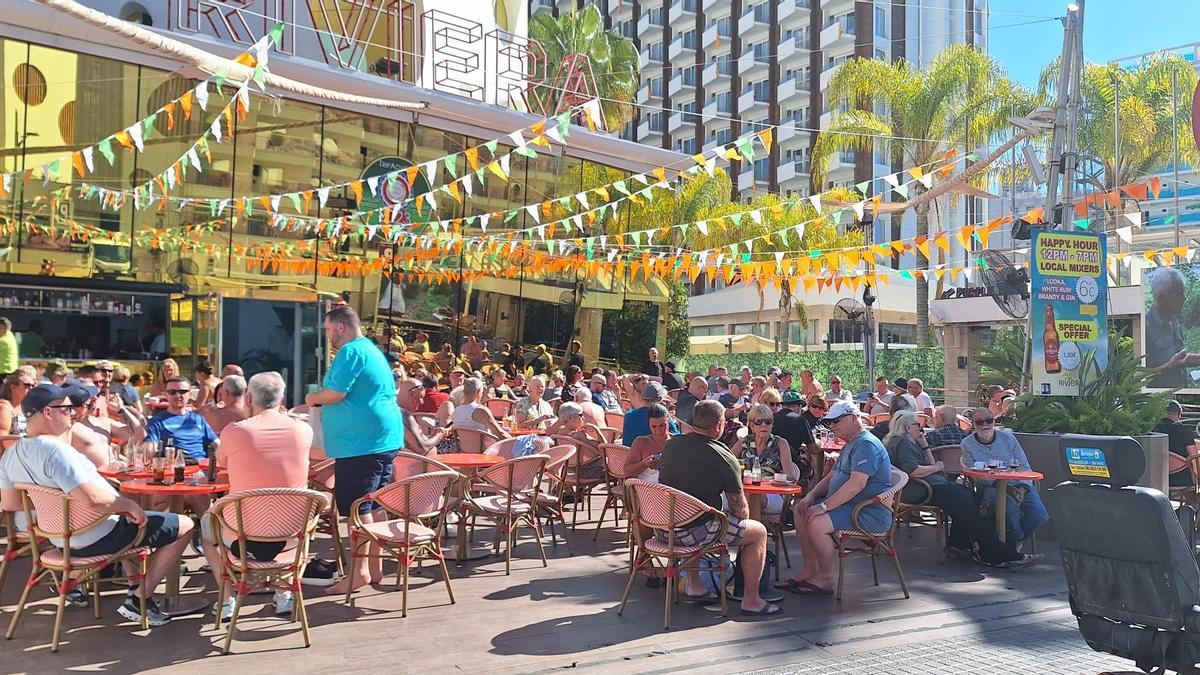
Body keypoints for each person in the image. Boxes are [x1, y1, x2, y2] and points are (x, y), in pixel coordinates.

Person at [0, 383, 193, 626]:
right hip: (98, 535)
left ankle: (132, 587)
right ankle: (140, 597)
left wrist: (51, 504)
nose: (73, 414)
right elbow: (93, 499)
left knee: (136, 525)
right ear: (48, 412)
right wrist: (128, 505)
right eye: (67, 409)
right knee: (184, 525)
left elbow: (10, 502)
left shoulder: (11, 453)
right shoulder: (56, 451)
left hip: (62, 539)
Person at [204, 371, 321, 619]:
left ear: (248, 399)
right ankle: (283, 593)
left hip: (243, 537)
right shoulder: (303, 430)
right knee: (281, 508)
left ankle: (227, 600)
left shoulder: (235, 431)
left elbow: (221, 463)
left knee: (205, 528)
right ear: (282, 398)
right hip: (292, 536)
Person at [305, 305, 404, 595]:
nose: (327, 337)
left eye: (327, 331)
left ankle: (358, 573)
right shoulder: (371, 349)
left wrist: (312, 397)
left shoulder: (350, 352)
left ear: (340, 327)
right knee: (373, 505)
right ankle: (375, 568)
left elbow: (335, 393)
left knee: (357, 510)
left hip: (360, 444)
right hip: (381, 440)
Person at [658, 400, 779, 615]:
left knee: (695, 512)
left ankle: (694, 584)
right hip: (693, 532)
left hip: (663, 527)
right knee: (757, 532)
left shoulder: (671, 445)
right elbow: (741, 511)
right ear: (719, 425)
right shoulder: (723, 455)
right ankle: (751, 599)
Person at [884, 411, 1035, 568]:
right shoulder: (904, 443)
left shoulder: (904, 441)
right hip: (923, 488)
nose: (921, 428)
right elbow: (913, 470)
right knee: (968, 506)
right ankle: (996, 553)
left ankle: (959, 544)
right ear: (909, 427)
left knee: (972, 499)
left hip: (931, 485)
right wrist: (937, 466)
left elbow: (931, 467)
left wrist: (925, 446)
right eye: (918, 425)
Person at [781, 401, 893, 595]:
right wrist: (810, 496)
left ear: (853, 418)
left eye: (836, 421)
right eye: (830, 423)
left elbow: (857, 484)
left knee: (817, 522)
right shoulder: (851, 443)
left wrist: (823, 507)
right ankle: (810, 570)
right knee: (800, 511)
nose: (832, 426)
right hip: (849, 507)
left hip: (867, 512)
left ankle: (825, 578)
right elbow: (833, 475)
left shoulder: (866, 444)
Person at [960, 409, 1049, 544]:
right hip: (990, 487)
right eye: (979, 422)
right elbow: (976, 475)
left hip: (1018, 484)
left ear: (994, 421)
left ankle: (1013, 542)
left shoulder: (1008, 438)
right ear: (973, 424)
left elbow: (1024, 466)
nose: (985, 425)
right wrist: (1007, 489)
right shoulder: (967, 444)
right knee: (1010, 508)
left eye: (989, 420)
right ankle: (1011, 549)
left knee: (1039, 515)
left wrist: (1022, 489)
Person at [731, 404, 801, 516]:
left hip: (773, 494)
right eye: (759, 422)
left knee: (752, 498)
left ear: (772, 425)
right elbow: (727, 464)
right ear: (751, 425)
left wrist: (771, 479)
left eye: (768, 422)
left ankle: (746, 530)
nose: (764, 425)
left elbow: (791, 476)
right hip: (746, 491)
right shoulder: (744, 443)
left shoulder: (780, 443)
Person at [144, 376, 220, 463]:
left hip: (201, 468)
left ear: (190, 395)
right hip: (175, 468)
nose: (177, 395)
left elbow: (217, 444)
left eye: (182, 392)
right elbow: (150, 446)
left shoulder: (198, 419)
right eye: (172, 392)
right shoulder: (157, 422)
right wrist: (149, 448)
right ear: (166, 395)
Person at [1146, 267, 1199, 388]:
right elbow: (1137, 376)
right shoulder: (1146, 326)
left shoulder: (1174, 322)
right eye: (1179, 294)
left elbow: (1181, 359)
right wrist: (1168, 367)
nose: (1184, 299)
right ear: (1161, 298)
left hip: (1178, 399)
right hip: (1156, 404)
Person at [69, 384, 145, 468]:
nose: (95, 399)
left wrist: (121, 409)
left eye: (97, 396)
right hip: (94, 477)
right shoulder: (69, 428)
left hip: (114, 473)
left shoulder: (104, 422)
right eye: (89, 397)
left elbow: (140, 434)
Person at [762, 389, 816, 472]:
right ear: (799, 406)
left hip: (767, 460)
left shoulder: (770, 418)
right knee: (811, 471)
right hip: (791, 462)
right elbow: (813, 448)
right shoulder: (801, 420)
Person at [397, 377, 448, 454]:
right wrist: (439, 436)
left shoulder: (394, 411)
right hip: (414, 464)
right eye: (420, 397)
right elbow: (422, 448)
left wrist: (431, 437)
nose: (422, 402)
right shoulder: (404, 415)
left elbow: (415, 442)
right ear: (411, 393)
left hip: (404, 462)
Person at [623, 382, 679, 447]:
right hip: (652, 455)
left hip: (627, 454)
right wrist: (674, 422)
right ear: (660, 399)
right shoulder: (662, 418)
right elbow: (677, 438)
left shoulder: (628, 416)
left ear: (642, 398)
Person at [625, 403, 670, 483]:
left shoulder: (675, 442)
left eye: (662, 425)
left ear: (668, 421)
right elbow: (627, 472)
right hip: (646, 490)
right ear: (649, 424)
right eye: (654, 426)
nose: (658, 430)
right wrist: (644, 464)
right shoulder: (641, 442)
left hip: (670, 489)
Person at [1157, 400, 1196, 488]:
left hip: (1158, 477)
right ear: (1178, 414)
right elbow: (1194, 455)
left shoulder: (1152, 430)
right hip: (1182, 477)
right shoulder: (1184, 431)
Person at [0, 367, 37, 435]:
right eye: (27, 385)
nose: (30, 389)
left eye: (33, 385)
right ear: (13, 387)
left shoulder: (23, 406)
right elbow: (2, 439)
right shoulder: (4, 408)